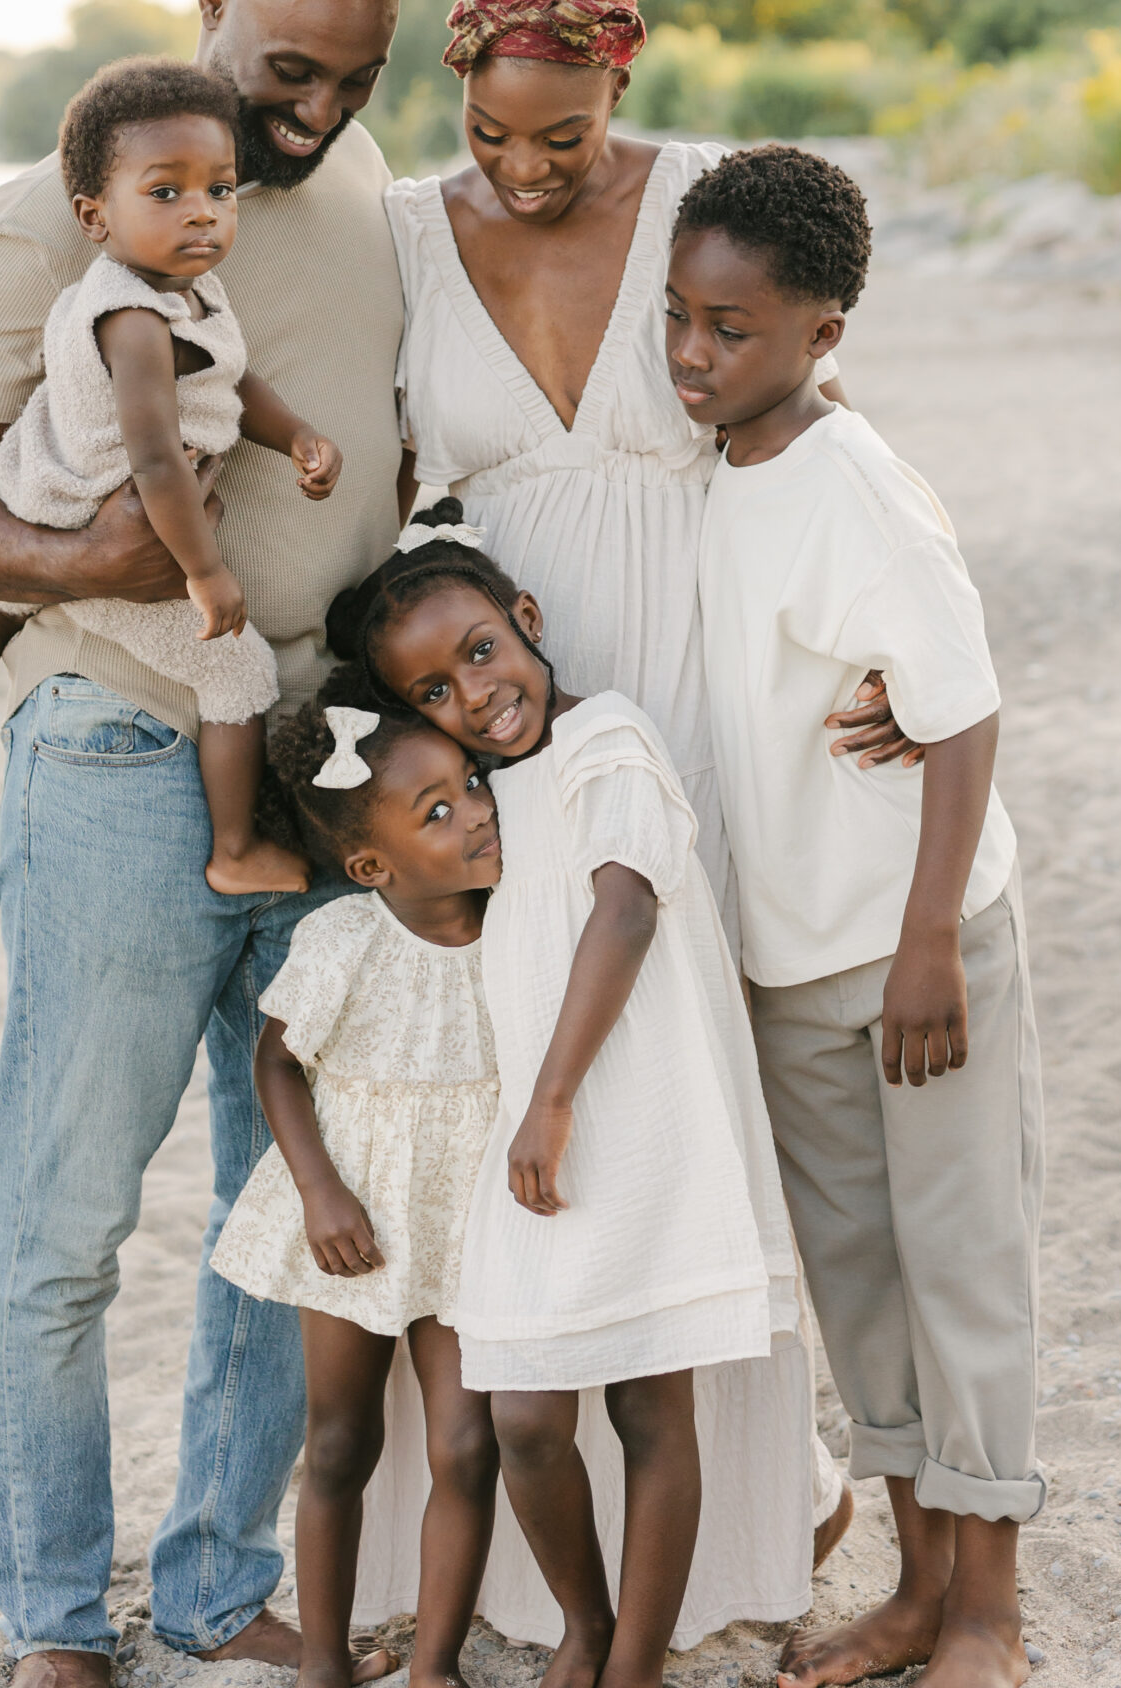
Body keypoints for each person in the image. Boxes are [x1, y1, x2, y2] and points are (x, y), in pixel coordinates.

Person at [0, 0, 409, 1688]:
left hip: (321, 760)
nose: (316, 112)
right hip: (110, 753)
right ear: (208, 8)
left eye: (353, 79)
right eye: (288, 71)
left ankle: (212, 1583)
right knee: (70, 1213)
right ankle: (46, 1615)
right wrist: (92, 564)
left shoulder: (344, 178)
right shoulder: (55, 213)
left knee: (284, 1201)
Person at [385, 0, 913, 1571]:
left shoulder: (707, 200)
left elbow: (833, 425)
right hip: (505, 717)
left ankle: (763, 1512)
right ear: (454, 74)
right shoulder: (404, 234)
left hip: (698, 697)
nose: (527, 171)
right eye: (491, 134)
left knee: (704, 1089)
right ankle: (548, 1537)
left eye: (567, 131)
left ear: (625, 71)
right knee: (526, 1068)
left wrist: (896, 651)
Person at [665, 147, 1042, 1688]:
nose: (693, 354)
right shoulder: (716, 463)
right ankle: (909, 1581)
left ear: (822, 331)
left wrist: (931, 940)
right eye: (680, 319)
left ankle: (987, 1612)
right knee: (858, 1284)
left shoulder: (857, 488)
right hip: (785, 959)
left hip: (915, 951)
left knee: (961, 1264)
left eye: (731, 329)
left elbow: (960, 717)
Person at [326, 509, 810, 1681]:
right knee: (527, 1416)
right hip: (532, 1141)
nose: (475, 692)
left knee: (652, 1411)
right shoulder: (484, 801)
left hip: (631, 1116)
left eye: (482, 650)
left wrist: (551, 1099)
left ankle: (629, 1660)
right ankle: (585, 1622)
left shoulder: (607, 737)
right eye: (436, 689)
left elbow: (626, 907)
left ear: (527, 623)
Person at [0, 57, 343, 895]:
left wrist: (294, 434)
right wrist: (206, 573)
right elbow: (156, 460)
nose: (201, 213)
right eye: (166, 193)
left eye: (219, 191)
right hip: (104, 521)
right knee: (239, 674)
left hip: (42, 490)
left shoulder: (189, 291)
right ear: (93, 216)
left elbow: (231, 380)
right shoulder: (133, 319)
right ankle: (234, 852)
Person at [209, 679, 505, 1688]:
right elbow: (274, 1063)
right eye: (437, 810)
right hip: (356, 1220)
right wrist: (320, 1192)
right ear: (371, 863)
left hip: (469, 1223)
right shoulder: (341, 942)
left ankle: (433, 1664)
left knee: (467, 1444)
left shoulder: (520, 931)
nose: (473, 811)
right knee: (339, 1441)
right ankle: (324, 1664)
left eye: (470, 786)